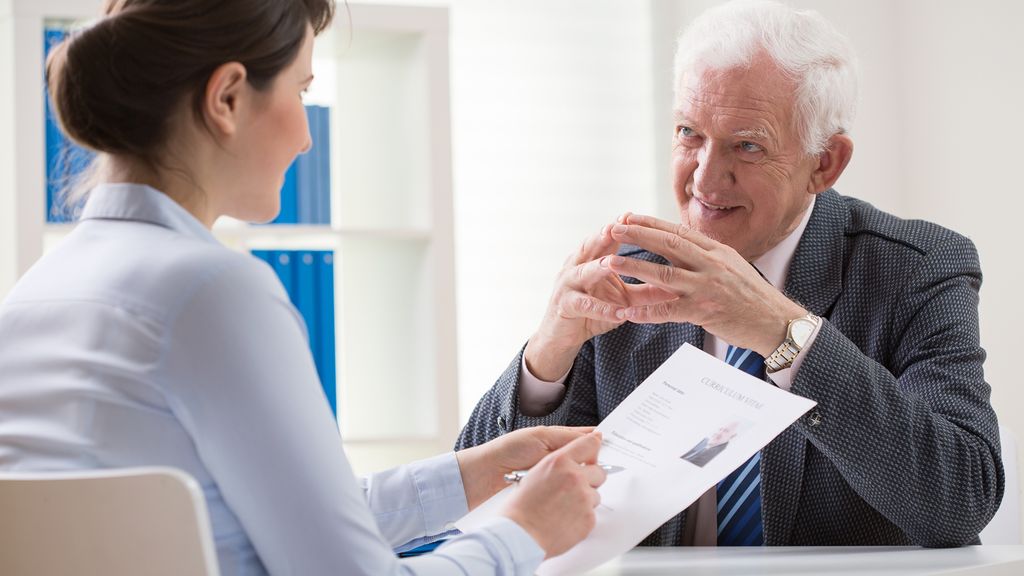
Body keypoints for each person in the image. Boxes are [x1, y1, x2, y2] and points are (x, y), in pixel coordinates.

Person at [0, 1, 607, 574]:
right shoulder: (211, 290)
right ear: (228, 97)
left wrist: (479, 473)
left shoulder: (36, 293)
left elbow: (278, 521)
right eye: (301, 90)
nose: (306, 138)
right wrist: (525, 531)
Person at [458, 0, 1003, 548]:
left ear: (825, 163)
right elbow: (475, 512)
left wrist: (785, 335)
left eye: (747, 145)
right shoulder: (628, 271)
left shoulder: (916, 269)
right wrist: (544, 361)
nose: (705, 177)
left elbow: (958, 503)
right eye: (689, 132)